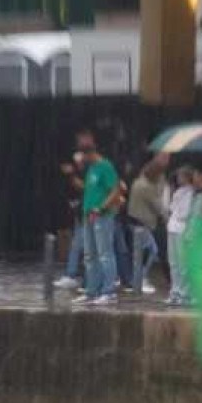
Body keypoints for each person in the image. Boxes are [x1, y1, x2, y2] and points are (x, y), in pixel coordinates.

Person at [75, 131, 122, 307]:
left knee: (105, 254)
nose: (83, 159)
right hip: (88, 215)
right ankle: (91, 291)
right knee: (89, 255)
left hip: (102, 216)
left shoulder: (105, 166)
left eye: (84, 156)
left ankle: (108, 291)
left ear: (90, 153)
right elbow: (89, 189)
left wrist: (101, 207)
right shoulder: (91, 169)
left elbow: (115, 191)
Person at [126, 154, 168, 295]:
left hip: (134, 221)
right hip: (142, 223)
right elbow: (157, 206)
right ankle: (140, 280)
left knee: (141, 252)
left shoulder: (138, 182)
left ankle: (137, 280)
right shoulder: (147, 187)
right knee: (151, 251)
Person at [165, 165, 198, 306]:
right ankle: (175, 291)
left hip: (181, 229)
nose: (178, 178)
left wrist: (176, 210)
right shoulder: (178, 192)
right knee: (173, 262)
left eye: (181, 176)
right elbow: (170, 208)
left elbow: (184, 212)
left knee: (182, 262)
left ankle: (185, 293)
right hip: (172, 228)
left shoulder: (191, 193)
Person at [53, 153, 87, 291]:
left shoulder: (88, 173)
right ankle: (75, 275)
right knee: (79, 245)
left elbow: (84, 187)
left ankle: (72, 275)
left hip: (88, 214)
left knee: (80, 246)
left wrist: (72, 175)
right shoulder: (79, 174)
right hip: (81, 214)